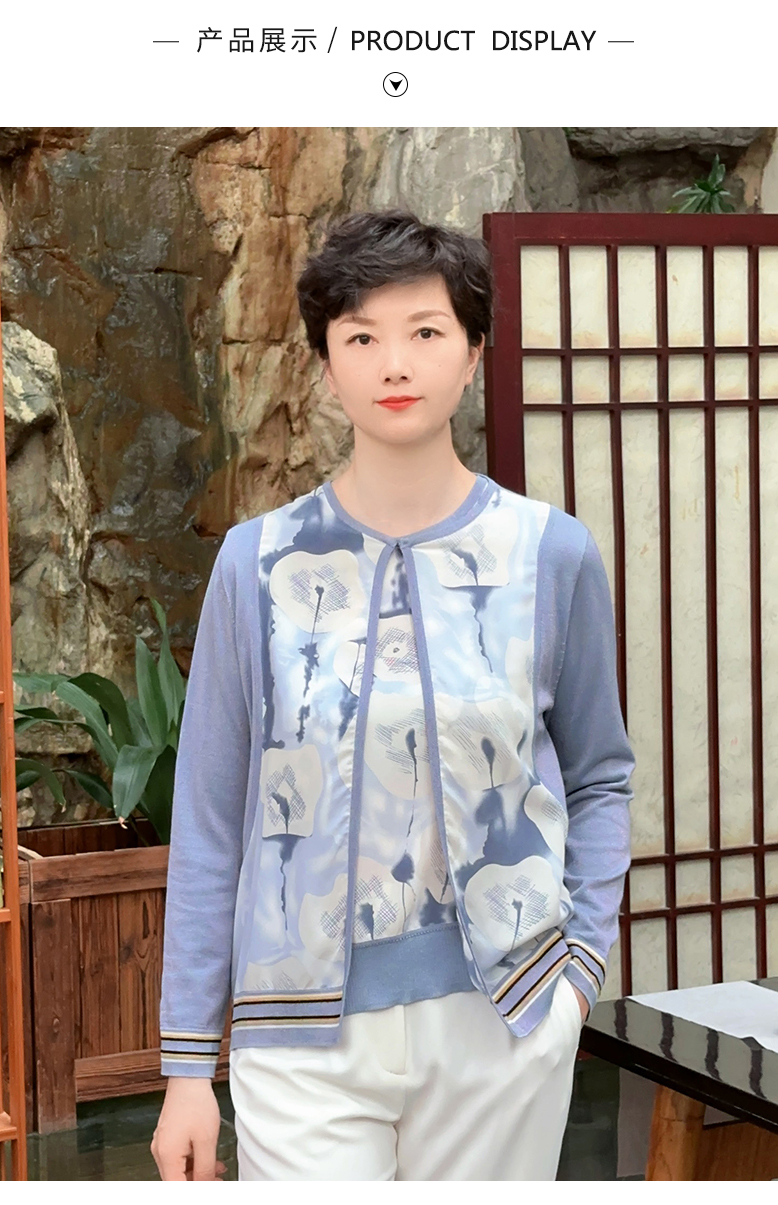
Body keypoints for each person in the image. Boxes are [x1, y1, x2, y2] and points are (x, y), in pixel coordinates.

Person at [150, 210, 634, 1182]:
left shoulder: (551, 554)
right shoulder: (255, 564)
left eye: (424, 330)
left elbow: (600, 777)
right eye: (361, 337)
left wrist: (578, 973)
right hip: (299, 1038)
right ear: (327, 366)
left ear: (473, 351)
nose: (394, 363)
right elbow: (208, 820)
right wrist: (187, 1065)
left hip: (505, 1020)